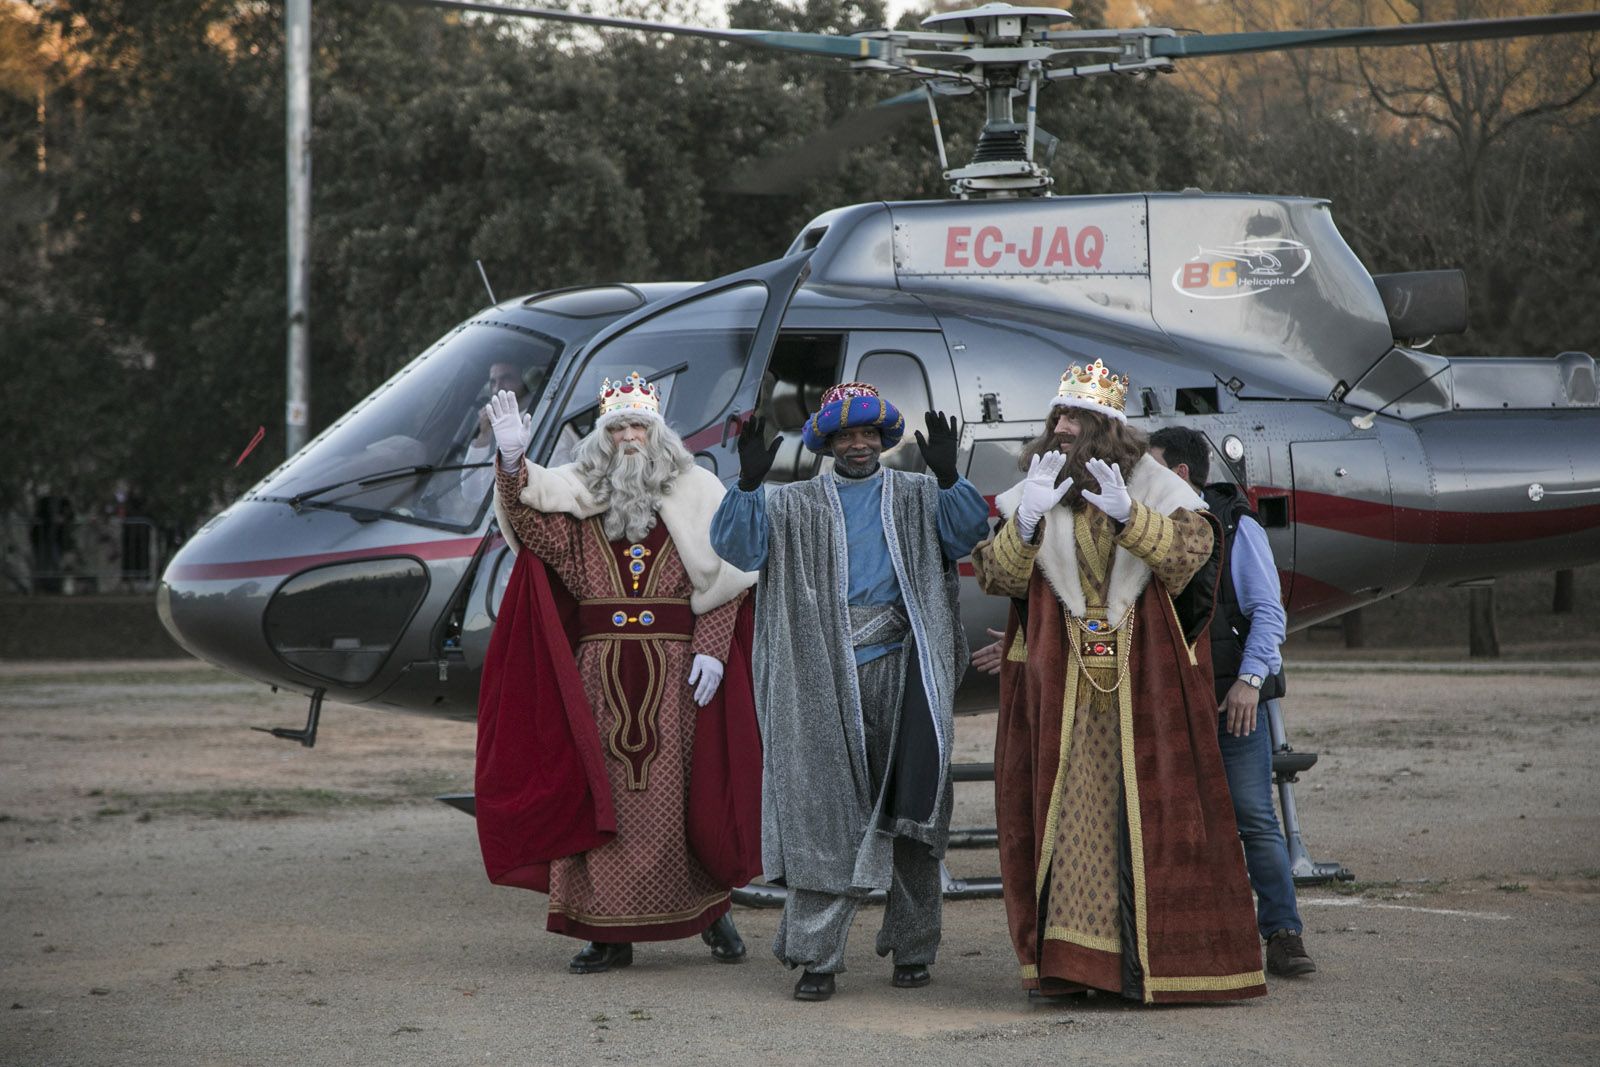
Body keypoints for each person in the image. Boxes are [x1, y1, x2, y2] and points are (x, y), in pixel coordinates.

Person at [970, 359, 1265, 1004]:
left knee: (1145, 824)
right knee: (1071, 825)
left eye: (1075, 418)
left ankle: (1139, 969)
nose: (1061, 427)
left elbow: (1193, 556)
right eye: (1057, 416)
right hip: (1061, 690)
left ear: (1106, 428)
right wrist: (1025, 522)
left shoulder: (1155, 487)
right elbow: (995, 576)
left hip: (1143, 687)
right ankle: (1076, 967)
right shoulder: (1036, 489)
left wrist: (1133, 517)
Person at [709, 382, 990, 1002]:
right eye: (845, 436)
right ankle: (817, 957)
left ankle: (914, 946)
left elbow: (968, 537)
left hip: (907, 668)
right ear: (827, 443)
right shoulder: (792, 503)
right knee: (823, 813)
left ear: (883, 439)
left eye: (867, 434)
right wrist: (748, 487)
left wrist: (949, 478)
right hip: (819, 674)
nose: (858, 445)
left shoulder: (917, 493)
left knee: (914, 811)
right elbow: (737, 550)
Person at [476, 372, 763, 974]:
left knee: (687, 795)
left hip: (677, 670)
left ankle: (712, 912)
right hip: (599, 671)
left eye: (638, 426)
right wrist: (512, 462)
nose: (629, 437)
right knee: (600, 791)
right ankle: (607, 933)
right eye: (617, 428)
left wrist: (713, 649)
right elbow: (532, 529)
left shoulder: (699, 490)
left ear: (658, 434)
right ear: (601, 438)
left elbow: (728, 573)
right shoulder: (579, 496)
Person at [1147, 425, 1315, 978]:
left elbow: (1268, 611)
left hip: (1228, 702)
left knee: (1254, 817)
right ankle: (1194, 940)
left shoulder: (1237, 526)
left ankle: (1283, 933)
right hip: (1173, 704)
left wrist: (1249, 681)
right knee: (1176, 823)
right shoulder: (1144, 528)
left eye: (1149, 467)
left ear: (1179, 474)